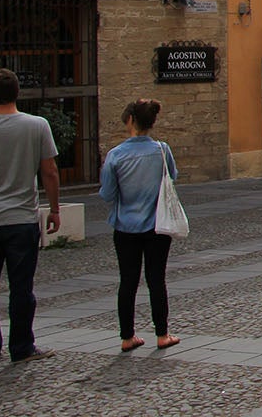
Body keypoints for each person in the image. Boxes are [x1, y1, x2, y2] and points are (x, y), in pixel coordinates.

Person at [0, 68, 59, 365]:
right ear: (18, 93)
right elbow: (49, 172)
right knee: (21, 288)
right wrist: (55, 209)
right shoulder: (37, 125)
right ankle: (21, 347)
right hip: (22, 219)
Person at [99, 99, 181, 352]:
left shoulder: (116, 155)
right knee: (156, 279)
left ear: (131, 121)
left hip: (125, 226)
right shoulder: (161, 150)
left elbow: (107, 193)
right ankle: (162, 333)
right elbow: (173, 177)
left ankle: (127, 336)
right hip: (157, 225)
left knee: (128, 281)